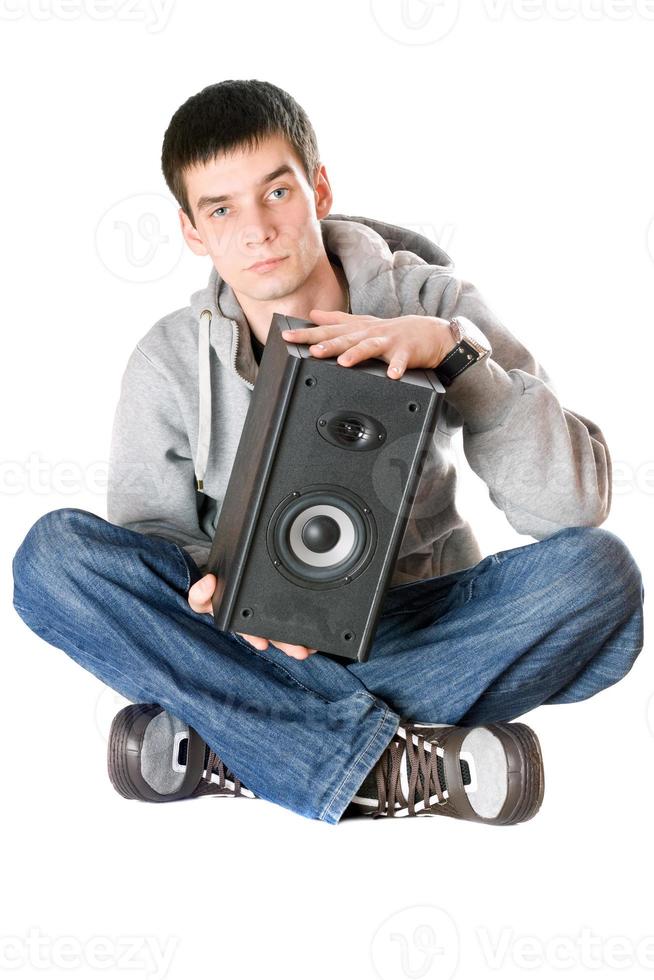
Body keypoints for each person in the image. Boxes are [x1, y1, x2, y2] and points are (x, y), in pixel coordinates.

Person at [11, 79, 645, 826]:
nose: (257, 230)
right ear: (192, 230)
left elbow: (570, 508)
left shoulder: (434, 303)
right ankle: (394, 762)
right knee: (52, 559)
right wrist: (213, 585)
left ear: (318, 186)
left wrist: (453, 358)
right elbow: (149, 552)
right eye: (222, 209)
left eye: (276, 193)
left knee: (601, 576)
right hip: (256, 634)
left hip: (415, 618)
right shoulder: (168, 359)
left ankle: (237, 741)